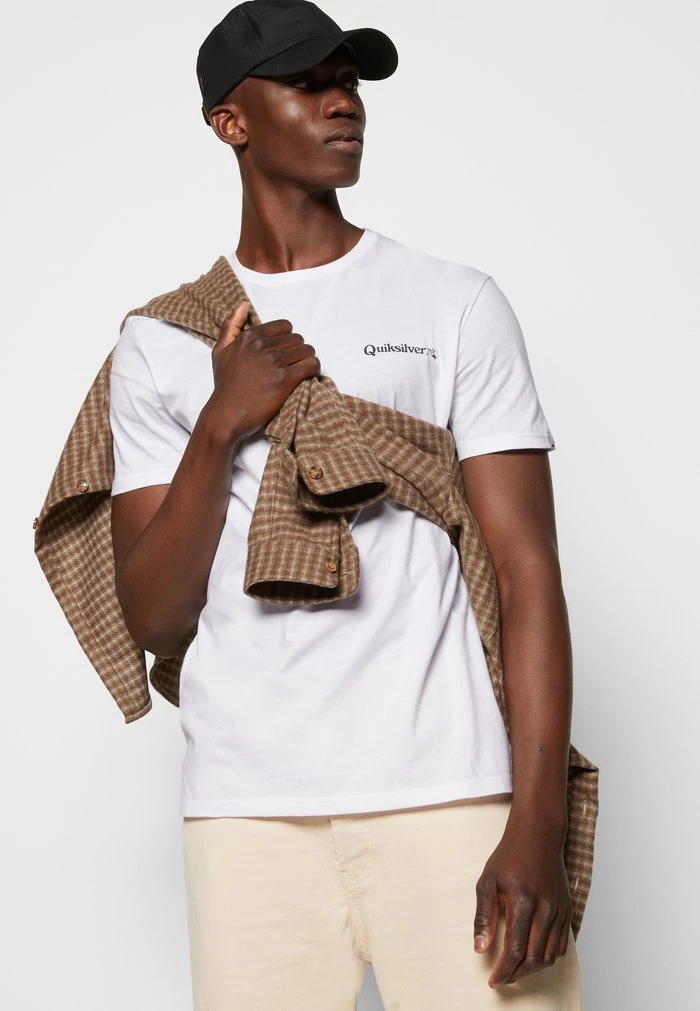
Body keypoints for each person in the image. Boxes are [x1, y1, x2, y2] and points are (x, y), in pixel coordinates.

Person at [108, 1, 584, 1006]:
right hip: (245, 812)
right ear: (230, 122)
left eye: (349, 82)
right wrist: (220, 423)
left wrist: (536, 820)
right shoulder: (161, 342)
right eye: (306, 83)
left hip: (451, 791)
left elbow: (526, 573)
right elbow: (152, 616)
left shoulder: (455, 302)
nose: (341, 103)